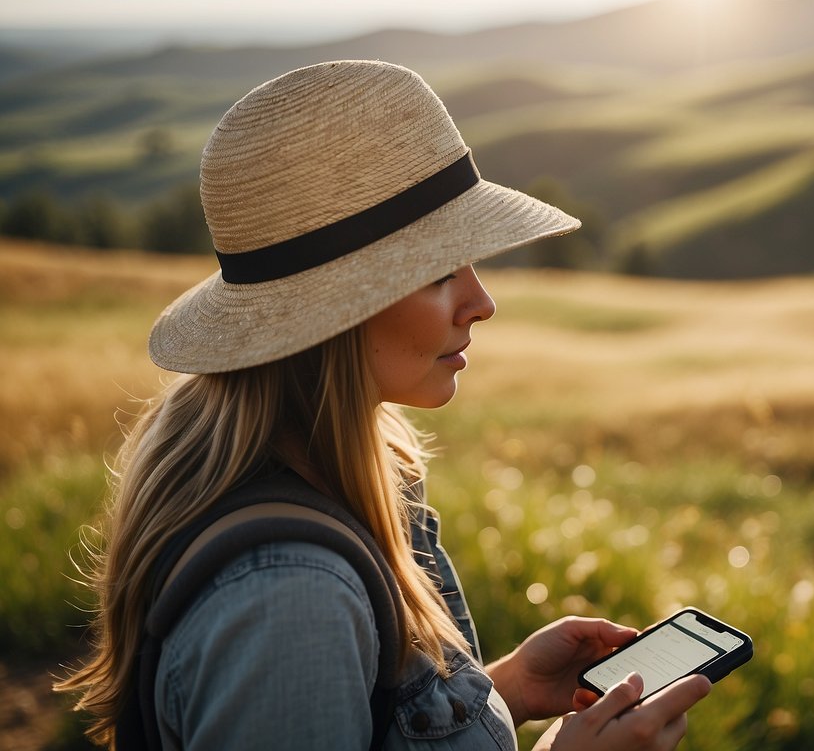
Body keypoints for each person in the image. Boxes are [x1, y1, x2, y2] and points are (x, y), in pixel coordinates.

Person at [56, 60, 712, 750]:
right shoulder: (289, 601)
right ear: (336, 314)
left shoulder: (346, 474)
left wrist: (502, 691)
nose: (481, 304)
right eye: (437, 272)